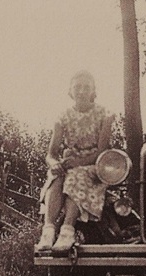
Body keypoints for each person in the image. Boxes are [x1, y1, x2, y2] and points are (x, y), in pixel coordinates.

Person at [36, 70, 114, 251]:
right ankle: (48, 231)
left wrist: (78, 163)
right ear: (70, 91)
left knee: (75, 175)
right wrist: (54, 164)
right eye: (77, 87)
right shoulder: (63, 117)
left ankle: (67, 230)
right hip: (69, 164)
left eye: (86, 87)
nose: (81, 91)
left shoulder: (104, 114)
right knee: (56, 177)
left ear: (93, 91)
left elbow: (102, 151)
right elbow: (51, 153)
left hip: (95, 165)